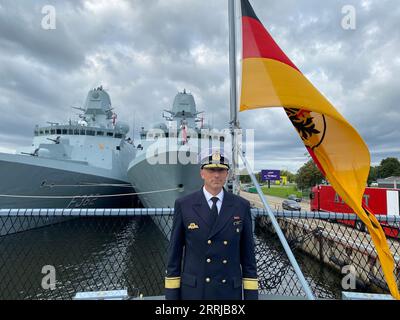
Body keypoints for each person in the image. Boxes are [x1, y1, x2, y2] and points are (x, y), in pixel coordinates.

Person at [164, 149, 258, 300]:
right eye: (211, 169)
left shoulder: (241, 206)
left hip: (229, 292)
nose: (216, 175)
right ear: (202, 173)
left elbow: (248, 258)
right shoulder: (184, 205)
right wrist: (172, 297)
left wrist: (251, 297)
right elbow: (174, 256)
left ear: (227, 174)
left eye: (221, 170)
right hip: (195, 291)